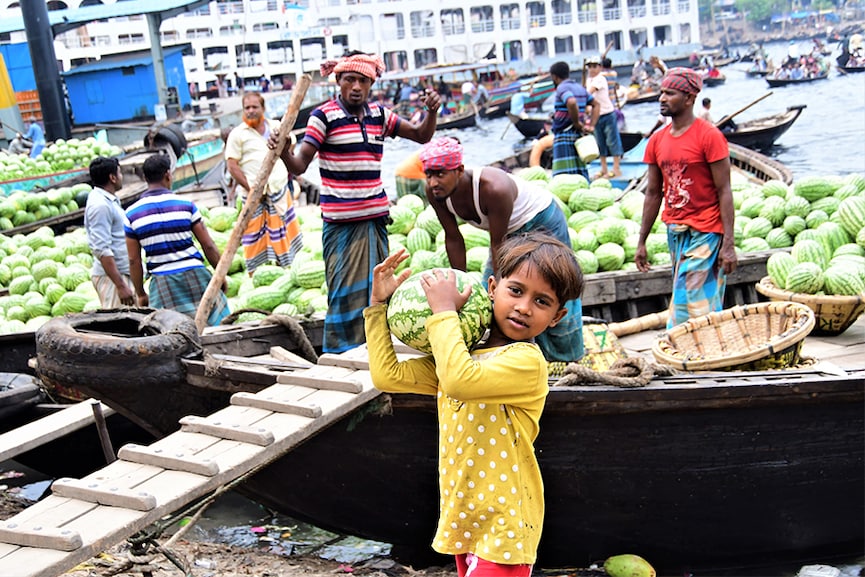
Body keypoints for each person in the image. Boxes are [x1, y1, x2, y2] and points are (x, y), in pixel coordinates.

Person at [363, 231, 583, 577]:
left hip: (505, 524)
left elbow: (458, 380)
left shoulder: (526, 362)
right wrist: (378, 307)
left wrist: (443, 310)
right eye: (516, 290)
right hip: (467, 517)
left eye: (542, 302)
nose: (524, 307)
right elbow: (388, 376)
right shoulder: (463, 355)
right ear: (492, 287)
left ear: (556, 317)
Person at [273, 51, 440, 353]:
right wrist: (284, 151)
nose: (356, 87)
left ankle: (377, 349)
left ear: (370, 84)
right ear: (338, 81)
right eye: (349, 79)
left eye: (362, 81)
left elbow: (421, 135)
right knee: (343, 294)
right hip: (341, 224)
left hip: (374, 220)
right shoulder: (323, 117)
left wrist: (431, 112)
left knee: (379, 291)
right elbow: (299, 165)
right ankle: (340, 353)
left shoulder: (380, 115)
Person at [419, 137, 585, 362]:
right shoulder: (435, 192)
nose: (433, 181)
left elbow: (498, 245)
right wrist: (459, 282)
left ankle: (564, 358)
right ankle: (502, 353)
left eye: (440, 174)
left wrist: (502, 286)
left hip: (541, 220)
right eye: (429, 174)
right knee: (489, 291)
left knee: (553, 285)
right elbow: (454, 238)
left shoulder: (493, 188)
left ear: (458, 170)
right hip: (505, 235)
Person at [635, 68, 737, 329]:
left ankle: (675, 342)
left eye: (670, 93)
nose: (662, 98)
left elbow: (724, 190)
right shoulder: (657, 141)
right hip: (676, 230)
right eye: (661, 92)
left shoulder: (709, 136)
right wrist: (642, 241)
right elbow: (653, 193)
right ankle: (703, 348)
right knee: (700, 299)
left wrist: (729, 244)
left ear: (689, 98)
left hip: (707, 229)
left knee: (688, 297)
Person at [124, 154, 230, 326]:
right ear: (168, 175)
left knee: (169, 331)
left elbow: (134, 260)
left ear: (145, 178)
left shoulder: (131, 214)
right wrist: (220, 275)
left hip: (162, 282)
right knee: (217, 324)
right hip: (196, 274)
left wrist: (141, 293)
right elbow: (208, 245)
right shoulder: (185, 204)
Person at [225, 91, 303, 274]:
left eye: (254, 107)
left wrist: (285, 143)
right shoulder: (238, 134)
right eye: (247, 108)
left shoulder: (276, 127)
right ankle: (255, 274)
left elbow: (291, 144)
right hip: (254, 197)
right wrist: (251, 189)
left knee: (283, 236)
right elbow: (232, 165)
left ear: (263, 108)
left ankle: (285, 271)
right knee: (254, 239)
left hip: (278, 191)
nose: (250, 111)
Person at [85, 156, 136, 308]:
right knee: (122, 327)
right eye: (119, 173)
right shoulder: (100, 205)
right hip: (113, 278)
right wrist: (120, 285)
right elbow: (101, 249)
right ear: (112, 178)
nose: (122, 177)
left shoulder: (108, 200)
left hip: (120, 274)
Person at [548, 61, 599, 179]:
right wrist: (591, 126)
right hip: (577, 135)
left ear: (554, 77)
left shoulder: (562, 88)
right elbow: (596, 105)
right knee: (579, 169)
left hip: (565, 133)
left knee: (564, 174)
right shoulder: (579, 88)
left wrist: (576, 122)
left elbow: (571, 102)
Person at [585, 56, 623, 179]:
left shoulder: (600, 79)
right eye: (590, 67)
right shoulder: (588, 80)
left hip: (607, 114)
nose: (592, 69)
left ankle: (616, 169)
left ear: (600, 67)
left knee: (612, 141)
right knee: (600, 143)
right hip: (596, 116)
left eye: (594, 66)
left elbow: (589, 93)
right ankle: (604, 169)